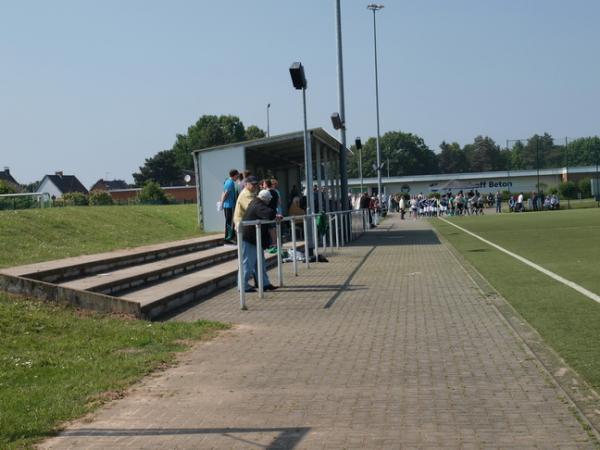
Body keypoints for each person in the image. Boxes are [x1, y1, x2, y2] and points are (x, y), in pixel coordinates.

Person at [241, 189, 278, 293]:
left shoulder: (256, 203)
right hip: (250, 238)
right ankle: (243, 286)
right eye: (269, 200)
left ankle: (264, 283)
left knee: (259, 263)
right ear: (265, 199)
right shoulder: (258, 204)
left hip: (254, 238)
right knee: (247, 263)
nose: (269, 202)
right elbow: (270, 214)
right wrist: (275, 213)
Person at [220, 169, 239, 244]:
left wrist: (222, 203)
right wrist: (222, 202)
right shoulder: (230, 182)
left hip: (227, 205)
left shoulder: (227, 181)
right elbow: (226, 193)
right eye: (237, 175)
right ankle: (228, 238)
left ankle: (228, 238)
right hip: (230, 205)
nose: (238, 177)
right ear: (234, 175)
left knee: (229, 221)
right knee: (230, 222)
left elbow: (223, 192)